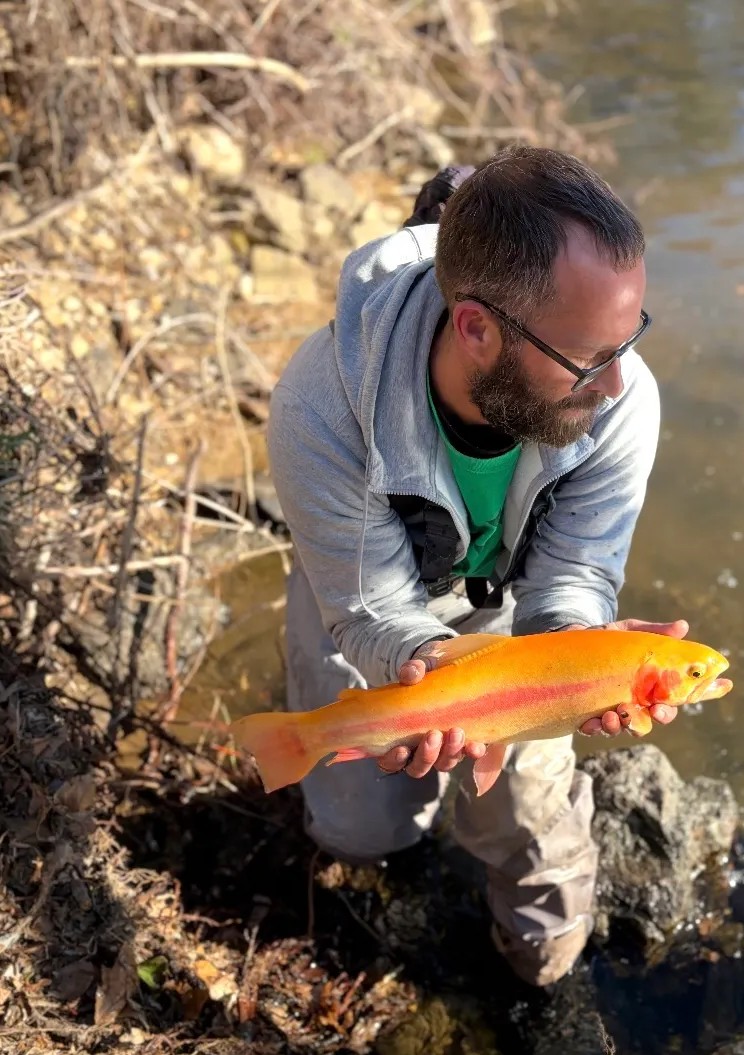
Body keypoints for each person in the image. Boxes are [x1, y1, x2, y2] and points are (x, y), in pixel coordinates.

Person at [266, 146, 687, 987]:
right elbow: (373, 611)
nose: (612, 386)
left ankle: (543, 977)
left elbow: (571, 577)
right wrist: (435, 680)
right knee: (359, 827)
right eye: (585, 360)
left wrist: (582, 656)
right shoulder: (320, 406)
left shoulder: (622, 393)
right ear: (476, 328)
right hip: (364, 603)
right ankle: (375, 884)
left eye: (626, 342)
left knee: (534, 823)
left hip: (508, 623)